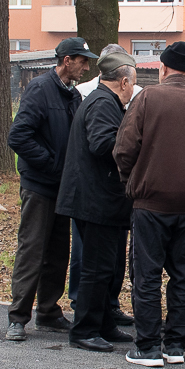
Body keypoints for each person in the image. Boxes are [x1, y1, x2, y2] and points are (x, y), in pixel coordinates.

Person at [113, 41, 185, 367]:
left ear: (163, 68)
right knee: (183, 277)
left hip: (149, 205)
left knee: (147, 276)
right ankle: (176, 345)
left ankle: (148, 346)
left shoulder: (146, 98)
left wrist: (133, 181)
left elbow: (124, 149)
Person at [5, 36, 97, 342]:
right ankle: (18, 317)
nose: (86, 67)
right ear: (67, 61)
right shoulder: (40, 89)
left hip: (62, 188)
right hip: (39, 185)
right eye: (82, 61)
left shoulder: (73, 95)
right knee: (32, 249)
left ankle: (48, 311)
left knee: (58, 252)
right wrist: (51, 164)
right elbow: (19, 136)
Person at [56, 48, 139, 352]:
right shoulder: (103, 103)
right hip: (95, 200)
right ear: (124, 81)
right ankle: (85, 330)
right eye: (133, 83)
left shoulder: (104, 101)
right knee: (96, 267)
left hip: (101, 199)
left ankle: (103, 323)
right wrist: (136, 143)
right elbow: (102, 144)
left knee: (108, 266)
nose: (133, 89)